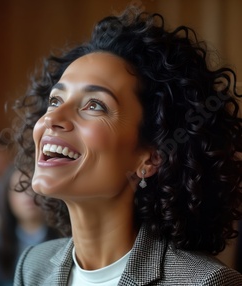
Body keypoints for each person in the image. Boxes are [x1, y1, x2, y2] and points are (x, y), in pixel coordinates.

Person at [13, 7, 242, 285]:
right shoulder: (32, 267)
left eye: (94, 105)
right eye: (55, 101)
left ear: (150, 158)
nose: (52, 119)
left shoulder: (204, 282)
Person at [0, 166, 60, 286]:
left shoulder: (62, 238)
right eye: (20, 188)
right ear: (7, 197)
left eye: (33, 186)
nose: (28, 194)